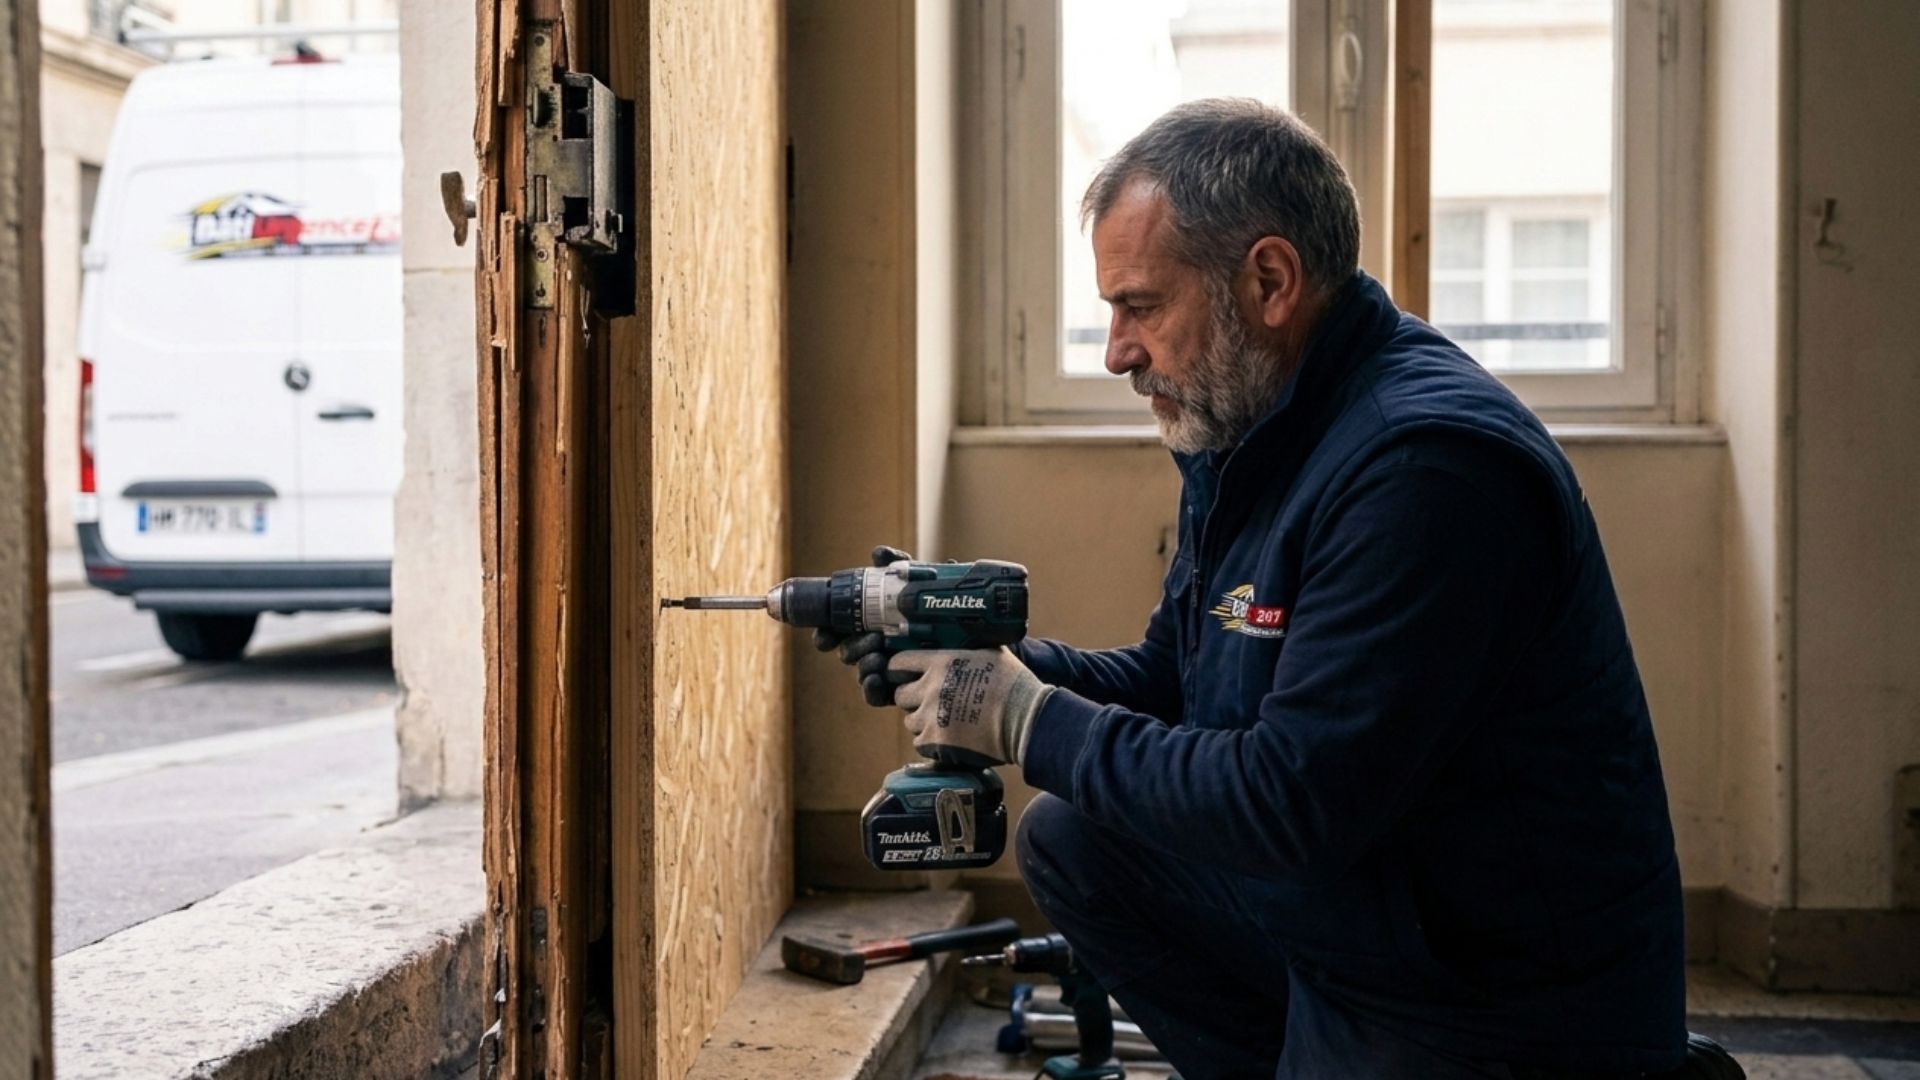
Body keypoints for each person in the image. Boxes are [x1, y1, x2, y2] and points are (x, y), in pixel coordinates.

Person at [831, 99, 1706, 1079]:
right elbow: (1179, 678)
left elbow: (1290, 805)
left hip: (1494, 1002)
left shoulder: (1429, 472)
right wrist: (992, 668)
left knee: (1113, 797)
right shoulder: (1255, 430)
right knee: (1076, 839)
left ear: (1271, 281)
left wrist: (1026, 722)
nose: (1117, 350)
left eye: (1140, 306)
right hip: (1376, 917)